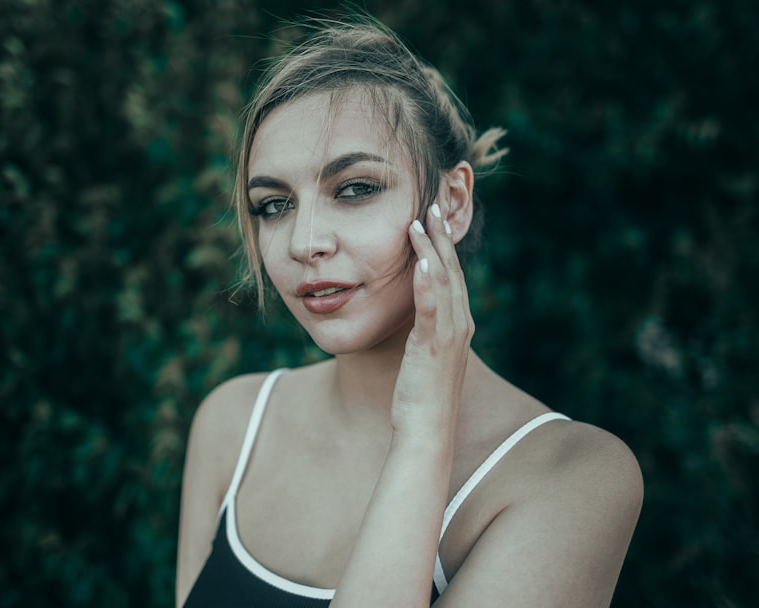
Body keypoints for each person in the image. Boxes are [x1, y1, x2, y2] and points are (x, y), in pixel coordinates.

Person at [176, 14, 642, 608]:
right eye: (274, 205)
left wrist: (423, 431)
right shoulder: (232, 423)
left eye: (356, 188)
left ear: (452, 202)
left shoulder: (574, 477)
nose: (303, 242)